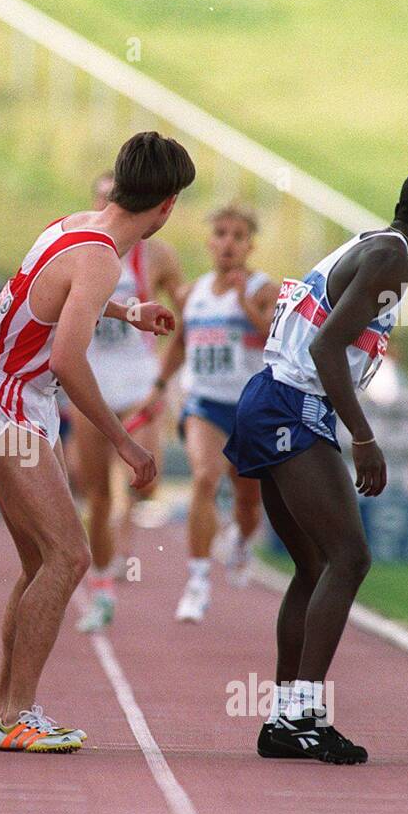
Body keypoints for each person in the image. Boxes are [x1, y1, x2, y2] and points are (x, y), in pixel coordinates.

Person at [0, 131, 193, 752]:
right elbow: (66, 359)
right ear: (167, 206)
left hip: (2, 397)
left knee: (42, 562)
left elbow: (51, 293)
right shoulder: (103, 259)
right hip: (10, 403)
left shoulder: (74, 224)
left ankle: (6, 708)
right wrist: (126, 442)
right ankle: (14, 714)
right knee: (69, 558)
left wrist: (126, 313)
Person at [226, 170, 408, 764]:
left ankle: (286, 717)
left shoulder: (369, 242)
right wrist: (363, 437)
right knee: (349, 558)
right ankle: (303, 714)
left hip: (269, 396)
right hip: (293, 404)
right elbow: (326, 348)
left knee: (312, 566)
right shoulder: (394, 261)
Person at [143, 204, 277, 622]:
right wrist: (160, 386)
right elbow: (181, 343)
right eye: (221, 233)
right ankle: (198, 580)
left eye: (238, 236)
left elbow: (275, 336)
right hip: (204, 403)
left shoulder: (262, 288)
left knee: (248, 498)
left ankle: (239, 539)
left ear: (250, 245)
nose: (228, 243)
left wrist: (243, 302)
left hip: (251, 406)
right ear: (210, 242)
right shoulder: (192, 293)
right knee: (204, 477)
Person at [74, 170, 185, 633]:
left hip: (139, 380)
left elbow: (185, 306)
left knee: (145, 478)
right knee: (95, 489)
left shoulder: (155, 254)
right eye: (101, 201)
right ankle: (101, 585)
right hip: (92, 380)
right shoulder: (80, 248)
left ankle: (125, 537)